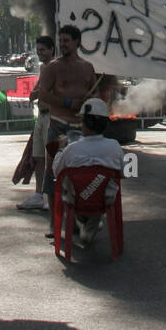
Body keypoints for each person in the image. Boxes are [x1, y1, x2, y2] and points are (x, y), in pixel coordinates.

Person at [39, 24, 98, 219]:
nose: (62, 44)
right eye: (60, 41)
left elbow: (95, 93)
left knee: (82, 171)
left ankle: (81, 215)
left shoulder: (88, 68)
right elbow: (43, 95)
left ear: (77, 42)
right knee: (51, 169)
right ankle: (53, 222)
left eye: (66, 41)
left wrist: (89, 103)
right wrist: (66, 102)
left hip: (81, 128)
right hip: (57, 125)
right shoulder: (52, 67)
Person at [51, 96, 125, 246]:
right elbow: (122, 173)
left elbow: (57, 172)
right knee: (97, 187)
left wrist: (60, 149)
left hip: (76, 201)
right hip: (105, 200)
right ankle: (90, 222)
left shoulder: (72, 149)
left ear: (85, 123)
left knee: (69, 183)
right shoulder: (115, 146)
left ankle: (84, 221)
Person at [17, 35, 56, 212]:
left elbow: (49, 91)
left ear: (51, 50)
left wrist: (39, 92)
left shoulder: (57, 68)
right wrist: (36, 93)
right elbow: (37, 90)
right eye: (38, 50)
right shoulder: (43, 68)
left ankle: (49, 196)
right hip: (41, 116)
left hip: (51, 117)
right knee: (39, 157)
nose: (40, 53)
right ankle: (39, 194)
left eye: (43, 50)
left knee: (50, 159)